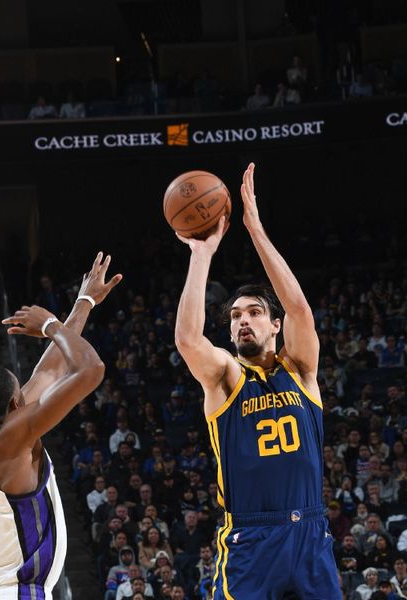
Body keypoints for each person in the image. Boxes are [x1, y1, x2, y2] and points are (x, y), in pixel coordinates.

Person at [174, 162, 339, 598]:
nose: (243, 321)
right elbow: (189, 340)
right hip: (251, 539)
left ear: (275, 326)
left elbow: (301, 309)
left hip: (309, 531)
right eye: (235, 316)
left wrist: (256, 230)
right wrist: (201, 254)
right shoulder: (226, 377)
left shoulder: (301, 370)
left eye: (254, 313)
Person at [0, 252, 122, 600]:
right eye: (21, 390)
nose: (27, 388)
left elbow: (48, 372)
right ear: (15, 406)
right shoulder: (9, 441)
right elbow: (91, 369)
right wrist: (51, 326)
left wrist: (85, 302)